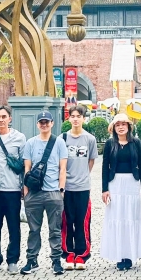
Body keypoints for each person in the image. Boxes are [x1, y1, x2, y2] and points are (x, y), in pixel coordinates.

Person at [21, 111, 68, 275]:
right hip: (34, 192)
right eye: (41, 122)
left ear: (52, 123)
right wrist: (26, 192)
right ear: (37, 124)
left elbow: (63, 168)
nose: (44, 124)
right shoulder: (30, 143)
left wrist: (61, 190)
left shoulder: (59, 143)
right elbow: (27, 168)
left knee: (55, 229)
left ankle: (56, 260)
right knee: (34, 229)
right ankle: (31, 260)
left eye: (47, 122)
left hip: (53, 191)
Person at [100, 113, 141, 271]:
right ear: (113, 127)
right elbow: (104, 167)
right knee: (117, 217)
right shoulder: (109, 144)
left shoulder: (136, 142)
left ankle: (129, 255)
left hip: (132, 183)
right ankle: (119, 255)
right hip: (115, 184)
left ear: (128, 126)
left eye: (123, 124)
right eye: (118, 124)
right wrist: (104, 189)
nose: (121, 127)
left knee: (131, 217)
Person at [0, 105, 26, 275]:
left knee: (13, 226)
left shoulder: (19, 138)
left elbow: (24, 163)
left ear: (10, 119)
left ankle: (13, 259)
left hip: (13, 189)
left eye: (4, 117)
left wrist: (24, 186)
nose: (1, 120)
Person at [62, 105, 98, 270]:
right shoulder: (62, 138)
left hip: (83, 187)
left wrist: (82, 175)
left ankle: (82, 255)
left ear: (84, 118)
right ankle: (69, 254)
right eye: (73, 116)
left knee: (82, 221)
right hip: (66, 187)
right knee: (67, 221)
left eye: (79, 116)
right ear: (69, 118)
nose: (75, 119)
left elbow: (91, 161)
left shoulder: (90, 139)